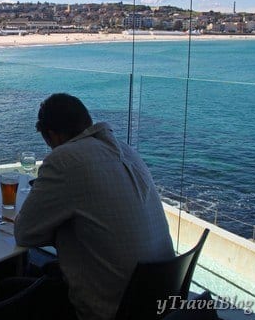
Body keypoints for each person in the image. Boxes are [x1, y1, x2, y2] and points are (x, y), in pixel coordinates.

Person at [14, 93, 174, 320]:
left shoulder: (64, 159)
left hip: (112, 309)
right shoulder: (127, 151)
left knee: (10, 289)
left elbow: (24, 234)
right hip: (160, 302)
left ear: (53, 136)